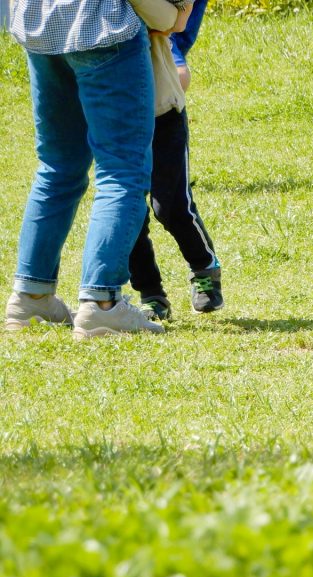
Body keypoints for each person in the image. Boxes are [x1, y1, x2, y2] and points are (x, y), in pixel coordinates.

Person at [3, 0, 188, 338]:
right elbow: (174, 18)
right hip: (101, 23)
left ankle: (31, 297)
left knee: (57, 167)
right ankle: (103, 304)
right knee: (123, 170)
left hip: (38, 22)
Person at [127, 0, 220, 321]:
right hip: (114, 118)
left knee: (170, 205)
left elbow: (174, 20)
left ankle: (204, 268)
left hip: (162, 109)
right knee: (127, 210)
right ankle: (151, 293)